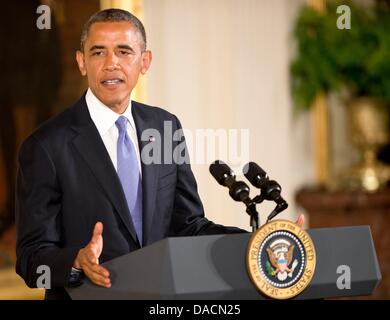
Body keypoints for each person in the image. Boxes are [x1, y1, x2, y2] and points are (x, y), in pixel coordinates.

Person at [15, 8, 304, 300]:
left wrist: (256, 241)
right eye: (98, 52)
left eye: (124, 51)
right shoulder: (45, 146)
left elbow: (189, 226)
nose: (111, 63)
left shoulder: (164, 127)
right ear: (81, 62)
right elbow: (31, 258)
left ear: (145, 61)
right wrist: (77, 261)